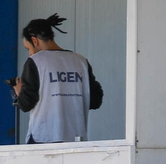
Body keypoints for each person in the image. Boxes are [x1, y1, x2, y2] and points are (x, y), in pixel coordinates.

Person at [12, 13, 103, 144]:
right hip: (76, 139)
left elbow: (26, 104)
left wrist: (20, 92)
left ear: (35, 41)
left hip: (43, 137)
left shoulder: (35, 61)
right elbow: (95, 101)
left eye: (28, 48)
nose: (29, 53)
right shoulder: (80, 61)